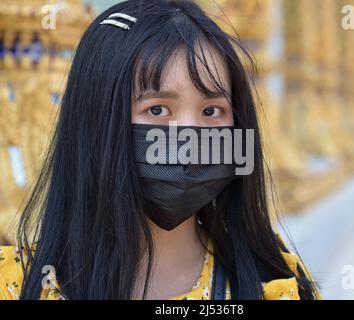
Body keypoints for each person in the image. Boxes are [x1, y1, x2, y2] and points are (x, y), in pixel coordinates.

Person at [0, 0, 321, 300]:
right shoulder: (19, 286)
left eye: (211, 112)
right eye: (157, 110)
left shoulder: (271, 284)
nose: (189, 137)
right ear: (96, 123)